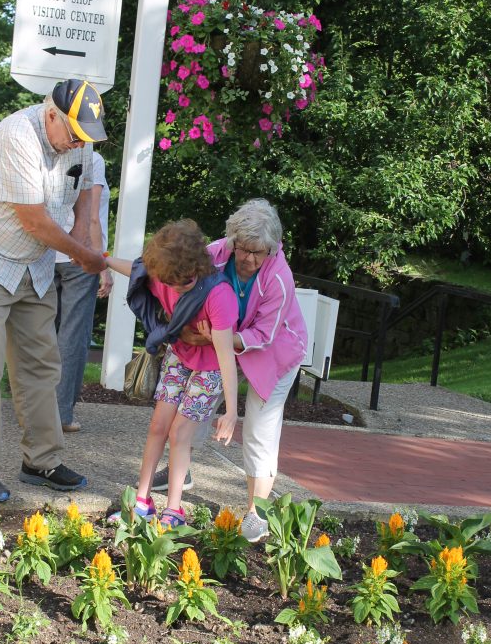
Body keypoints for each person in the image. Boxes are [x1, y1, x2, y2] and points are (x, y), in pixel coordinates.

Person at [0, 78, 107, 503]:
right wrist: (81, 257)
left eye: (85, 137)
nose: (78, 144)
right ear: (51, 114)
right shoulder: (16, 135)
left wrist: (88, 241)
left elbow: (86, 188)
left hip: (33, 263)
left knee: (41, 365)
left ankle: (42, 461)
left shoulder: (80, 138)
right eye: (73, 134)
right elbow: (34, 221)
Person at [152, 198, 308, 542]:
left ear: (272, 247)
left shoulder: (279, 277)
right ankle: (182, 470)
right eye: (244, 249)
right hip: (222, 342)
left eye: (260, 251)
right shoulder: (215, 254)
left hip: (274, 352)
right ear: (233, 241)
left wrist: (224, 336)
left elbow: (264, 334)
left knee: (259, 426)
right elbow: (181, 280)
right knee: (198, 407)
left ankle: (256, 511)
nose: (250, 259)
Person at [103, 219, 238, 527]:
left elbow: (226, 357)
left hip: (212, 367)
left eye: (185, 283)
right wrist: (103, 259)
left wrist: (231, 411)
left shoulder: (219, 296)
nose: (177, 288)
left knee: (179, 433)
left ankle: (174, 510)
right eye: (171, 283)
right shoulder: (164, 274)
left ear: (198, 268)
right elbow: (136, 269)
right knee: (157, 426)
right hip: (180, 355)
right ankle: (142, 501)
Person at [55, 149, 113, 433]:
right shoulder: (92, 159)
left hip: (47, 254)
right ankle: (62, 414)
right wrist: (101, 262)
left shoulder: (51, 157)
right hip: (79, 256)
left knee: (42, 335)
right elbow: (91, 216)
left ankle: (31, 409)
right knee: (73, 336)